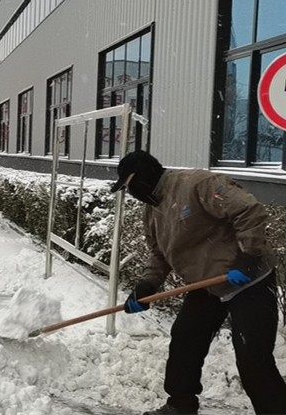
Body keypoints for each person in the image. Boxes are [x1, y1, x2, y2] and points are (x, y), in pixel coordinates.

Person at [112, 150, 286, 415]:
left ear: (145, 176)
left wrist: (248, 258)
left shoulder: (197, 184)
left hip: (249, 280)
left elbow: (248, 210)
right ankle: (180, 405)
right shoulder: (152, 211)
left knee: (253, 358)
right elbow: (159, 254)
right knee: (185, 339)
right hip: (207, 285)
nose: (132, 193)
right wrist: (146, 286)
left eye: (131, 186)